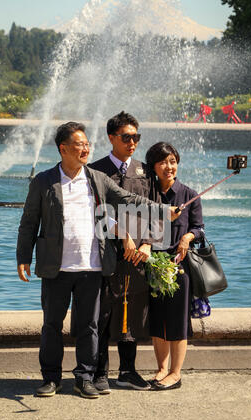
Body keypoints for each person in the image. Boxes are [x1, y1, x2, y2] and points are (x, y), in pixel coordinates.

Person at [16, 122, 179, 399]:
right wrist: (23, 257)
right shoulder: (44, 181)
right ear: (63, 149)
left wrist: (162, 210)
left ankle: (85, 377)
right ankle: (51, 378)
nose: (86, 149)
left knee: (89, 326)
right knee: (52, 325)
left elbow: (129, 199)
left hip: (92, 266)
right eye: (80, 144)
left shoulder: (96, 179)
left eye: (87, 144)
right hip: (56, 267)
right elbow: (29, 222)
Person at [88, 111, 154, 393]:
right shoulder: (94, 170)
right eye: (126, 137)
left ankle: (128, 371)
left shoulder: (144, 171)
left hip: (137, 255)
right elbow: (94, 212)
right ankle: (100, 371)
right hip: (108, 252)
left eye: (136, 137)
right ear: (111, 137)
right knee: (104, 312)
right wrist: (124, 237)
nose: (132, 142)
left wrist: (147, 242)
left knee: (133, 311)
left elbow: (154, 209)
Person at [145, 142, 204, 390]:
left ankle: (175, 373)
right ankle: (160, 368)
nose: (168, 167)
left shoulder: (190, 195)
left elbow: (199, 229)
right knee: (157, 318)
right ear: (153, 166)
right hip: (153, 265)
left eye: (172, 161)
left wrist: (186, 238)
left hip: (179, 267)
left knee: (178, 320)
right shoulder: (148, 194)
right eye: (163, 162)